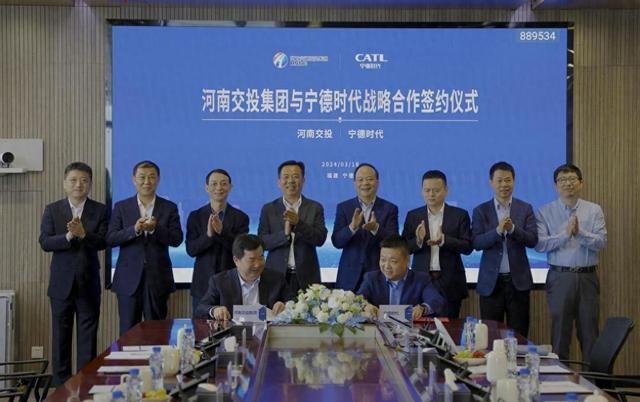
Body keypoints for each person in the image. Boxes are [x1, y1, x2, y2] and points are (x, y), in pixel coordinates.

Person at [39, 162, 109, 385]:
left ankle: (85, 384)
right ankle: (61, 385)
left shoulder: (100, 210)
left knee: (88, 337)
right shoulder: (52, 209)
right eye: (73, 180)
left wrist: (84, 234)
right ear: (65, 183)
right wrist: (69, 237)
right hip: (61, 284)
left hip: (88, 283)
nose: (79, 184)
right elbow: (45, 242)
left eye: (84, 180)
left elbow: (104, 241)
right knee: (60, 337)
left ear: (90, 184)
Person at [535, 164, 607, 361]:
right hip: (560, 277)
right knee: (560, 334)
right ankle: (559, 377)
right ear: (556, 185)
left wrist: (579, 233)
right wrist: (565, 235)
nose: (568, 184)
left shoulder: (594, 210)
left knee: (590, 333)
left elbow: (601, 242)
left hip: (587, 277)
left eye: (572, 179)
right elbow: (540, 245)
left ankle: (592, 380)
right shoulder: (544, 211)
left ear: (580, 183)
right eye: (562, 180)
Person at [107, 160, 183, 335]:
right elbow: (111, 238)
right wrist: (135, 230)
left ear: (158, 180)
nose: (147, 181)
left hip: (158, 279)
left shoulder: (169, 207)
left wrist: (155, 229)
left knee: (157, 333)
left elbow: (177, 239)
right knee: (128, 333)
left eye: (151, 177)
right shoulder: (121, 207)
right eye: (142, 177)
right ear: (134, 179)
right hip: (128, 280)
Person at [471, 161, 537, 337]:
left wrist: (513, 229)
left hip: (518, 283)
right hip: (491, 284)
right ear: (491, 182)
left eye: (508, 180)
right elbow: (476, 242)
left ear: (514, 181)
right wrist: (498, 231)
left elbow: (533, 240)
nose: (504, 185)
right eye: (499, 180)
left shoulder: (525, 208)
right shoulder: (481, 210)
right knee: (491, 335)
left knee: (519, 335)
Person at [402, 170, 472, 318]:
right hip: (421, 280)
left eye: (436, 190)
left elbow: (468, 247)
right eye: (427, 190)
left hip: (450, 281)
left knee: (450, 326)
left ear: (446, 190)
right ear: (422, 191)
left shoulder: (460, 215)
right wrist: (418, 241)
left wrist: (445, 241)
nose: (431, 194)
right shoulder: (413, 216)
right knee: (419, 326)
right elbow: (403, 248)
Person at [258, 160, 327, 295]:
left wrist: (298, 223)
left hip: (307, 277)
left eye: (295, 176)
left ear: (303, 180)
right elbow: (262, 242)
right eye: (286, 177)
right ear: (279, 182)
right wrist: (284, 235)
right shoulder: (268, 209)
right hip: (275, 275)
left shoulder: (315, 207)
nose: (290, 181)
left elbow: (320, 239)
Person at [186, 169, 249, 316]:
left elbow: (241, 250)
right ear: (207, 188)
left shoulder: (241, 218)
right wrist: (208, 235)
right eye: (214, 184)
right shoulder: (195, 216)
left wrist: (222, 231)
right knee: (201, 327)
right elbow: (191, 250)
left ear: (230, 187)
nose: (219, 188)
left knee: (232, 326)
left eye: (223, 184)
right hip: (202, 285)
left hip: (231, 284)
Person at [331, 163, 398, 291]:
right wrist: (351, 228)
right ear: (354, 183)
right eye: (360, 180)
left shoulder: (389, 208)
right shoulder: (344, 207)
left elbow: (395, 242)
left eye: (369, 179)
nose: (365, 183)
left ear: (377, 182)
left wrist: (376, 228)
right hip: (349, 277)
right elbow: (336, 242)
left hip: (379, 275)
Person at [195, 234, 289, 320]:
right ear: (236, 260)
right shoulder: (220, 281)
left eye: (261, 258)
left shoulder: (276, 279)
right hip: (233, 332)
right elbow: (201, 308)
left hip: (268, 331)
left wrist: (284, 305)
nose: (257, 265)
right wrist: (215, 310)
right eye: (251, 260)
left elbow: (293, 302)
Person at [357, 235, 445, 319]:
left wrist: (422, 308)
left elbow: (436, 300)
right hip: (378, 327)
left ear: (407, 260)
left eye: (393, 261)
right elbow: (358, 299)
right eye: (383, 260)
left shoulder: (421, 279)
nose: (386, 266)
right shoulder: (371, 278)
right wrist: (365, 305)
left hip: (410, 328)